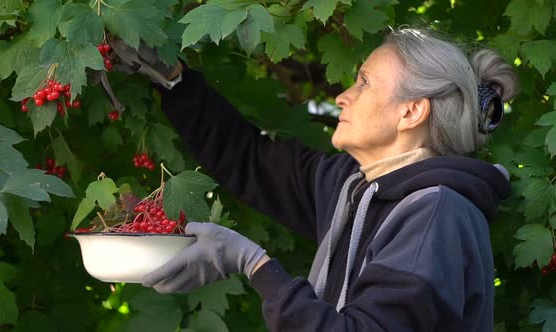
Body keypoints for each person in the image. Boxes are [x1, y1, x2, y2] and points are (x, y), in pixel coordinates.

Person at [110, 27, 517, 331]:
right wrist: (172, 78)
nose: (343, 95)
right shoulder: (353, 189)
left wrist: (253, 263)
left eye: (365, 82)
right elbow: (247, 156)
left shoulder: (436, 214)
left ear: (411, 112)